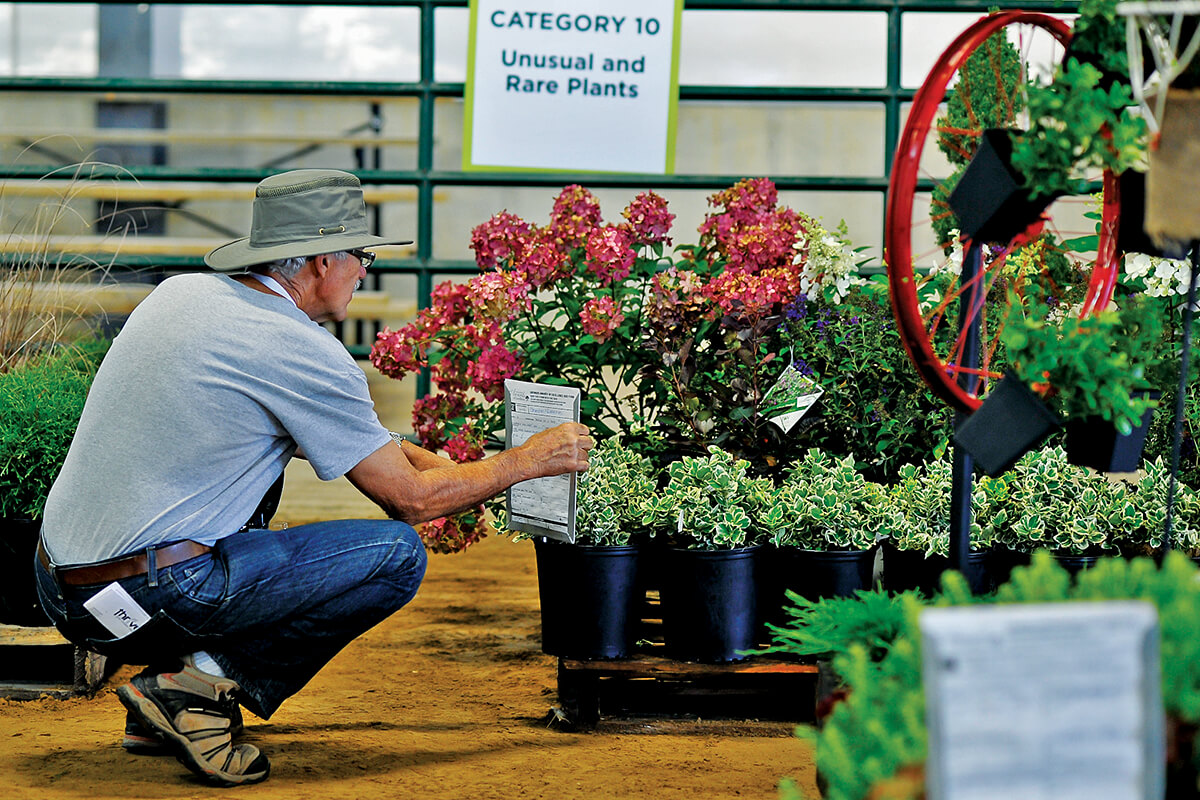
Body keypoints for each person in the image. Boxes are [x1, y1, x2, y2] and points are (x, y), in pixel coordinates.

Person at [33, 169, 592, 787]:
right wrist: (527, 462)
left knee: (239, 506)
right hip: (151, 594)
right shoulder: (299, 350)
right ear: (325, 260)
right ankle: (194, 686)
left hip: (64, 591)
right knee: (394, 556)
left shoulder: (183, 296)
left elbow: (363, 445)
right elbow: (408, 501)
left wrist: (471, 476)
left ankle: (161, 703)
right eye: (362, 255)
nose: (365, 271)